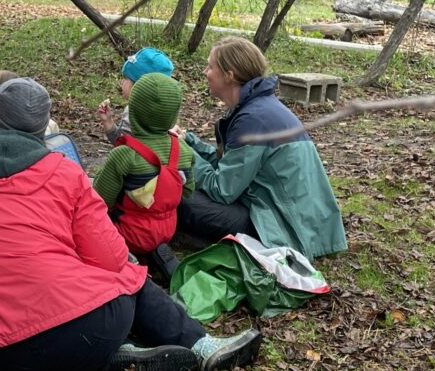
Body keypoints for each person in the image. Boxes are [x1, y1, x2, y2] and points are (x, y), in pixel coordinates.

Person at [0, 78, 262, 371]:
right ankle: (200, 345)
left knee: (73, 315)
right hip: (85, 328)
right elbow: (110, 257)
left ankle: (117, 358)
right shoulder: (65, 172)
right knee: (129, 273)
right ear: (43, 127)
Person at [177, 37, 347, 258]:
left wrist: (185, 154)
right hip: (296, 219)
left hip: (287, 228)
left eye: (210, 66)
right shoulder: (259, 108)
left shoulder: (253, 119)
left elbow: (222, 189)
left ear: (229, 75)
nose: (204, 72)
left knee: (177, 193)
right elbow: (230, 165)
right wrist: (190, 141)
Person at [92, 73, 194, 279]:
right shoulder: (183, 149)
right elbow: (187, 191)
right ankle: (154, 252)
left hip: (128, 232)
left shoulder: (124, 154)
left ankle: (128, 259)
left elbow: (100, 200)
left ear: (134, 112)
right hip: (167, 227)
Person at [97, 47, 175, 144]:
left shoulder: (132, 113)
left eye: (125, 78)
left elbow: (123, 147)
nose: (122, 82)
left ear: (139, 85)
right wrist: (108, 122)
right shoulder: (168, 112)